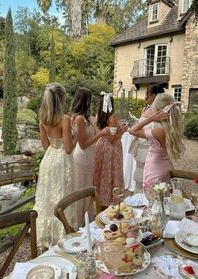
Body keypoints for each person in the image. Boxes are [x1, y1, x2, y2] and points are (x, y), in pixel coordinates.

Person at [34, 82, 75, 249]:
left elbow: (45, 146)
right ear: (61, 98)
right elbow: (68, 148)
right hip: (62, 162)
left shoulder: (42, 118)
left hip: (48, 160)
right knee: (62, 197)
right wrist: (76, 136)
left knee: (47, 198)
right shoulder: (64, 119)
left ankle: (46, 239)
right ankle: (62, 237)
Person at [70, 87, 109, 227]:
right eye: (90, 99)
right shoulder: (79, 119)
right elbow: (83, 144)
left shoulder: (87, 118)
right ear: (85, 100)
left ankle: (85, 221)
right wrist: (100, 135)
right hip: (82, 158)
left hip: (90, 158)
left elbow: (94, 133)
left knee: (88, 192)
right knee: (81, 191)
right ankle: (78, 223)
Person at [128, 93, 185, 186]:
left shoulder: (158, 132)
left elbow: (132, 130)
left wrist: (150, 119)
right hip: (168, 167)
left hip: (154, 170)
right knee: (164, 198)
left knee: (152, 197)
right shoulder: (174, 130)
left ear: (159, 112)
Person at [93, 92, 128, 209]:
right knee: (111, 175)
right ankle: (108, 204)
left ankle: (100, 202)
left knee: (103, 174)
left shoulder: (99, 116)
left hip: (100, 146)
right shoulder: (112, 117)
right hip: (111, 149)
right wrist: (123, 130)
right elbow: (113, 139)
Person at [131, 83, 164, 192]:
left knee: (148, 175)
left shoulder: (158, 111)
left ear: (153, 96)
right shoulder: (145, 110)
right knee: (142, 173)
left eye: (147, 94)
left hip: (150, 147)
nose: (145, 96)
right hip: (141, 145)